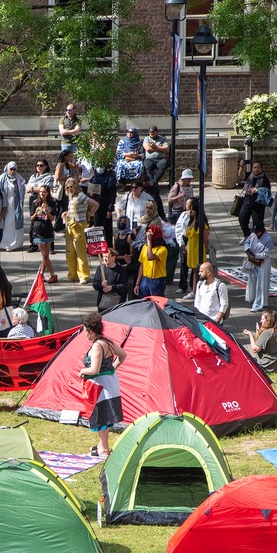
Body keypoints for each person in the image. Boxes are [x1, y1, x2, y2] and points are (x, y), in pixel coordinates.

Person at [78, 313, 126, 458]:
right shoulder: (107, 342)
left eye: (86, 331)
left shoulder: (98, 346)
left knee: (101, 417)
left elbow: (94, 369)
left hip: (100, 387)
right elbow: (123, 354)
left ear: (92, 332)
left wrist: (82, 371)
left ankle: (104, 448)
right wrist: (112, 369)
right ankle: (101, 444)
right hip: (109, 383)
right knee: (104, 415)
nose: (85, 334)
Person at [62, 178, 96, 284]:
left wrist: (91, 214)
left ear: (76, 186)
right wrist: (66, 214)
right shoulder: (70, 197)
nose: (69, 189)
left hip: (79, 226)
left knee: (80, 252)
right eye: (67, 187)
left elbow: (95, 204)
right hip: (70, 226)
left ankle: (84, 275)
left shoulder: (81, 196)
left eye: (71, 186)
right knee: (70, 251)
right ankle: (72, 274)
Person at [242, 223, 274, 312]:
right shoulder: (253, 235)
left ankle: (259, 304)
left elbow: (266, 253)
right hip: (253, 261)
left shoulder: (268, 239)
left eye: (257, 232)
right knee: (253, 281)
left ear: (261, 232)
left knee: (261, 283)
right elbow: (246, 242)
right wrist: (248, 250)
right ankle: (253, 299)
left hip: (263, 262)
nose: (255, 234)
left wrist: (255, 255)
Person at [239, 161, 272, 239]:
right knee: (242, 218)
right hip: (247, 201)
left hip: (258, 204)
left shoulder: (264, 179)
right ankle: (247, 235)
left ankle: (256, 238)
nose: (256, 169)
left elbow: (267, 192)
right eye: (254, 167)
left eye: (258, 167)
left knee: (257, 223)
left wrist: (257, 191)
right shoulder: (250, 175)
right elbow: (241, 175)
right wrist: (241, 167)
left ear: (261, 168)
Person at [135, 225, 168, 297]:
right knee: (144, 303)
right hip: (145, 279)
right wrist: (137, 284)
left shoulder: (162, 249)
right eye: (147, 232)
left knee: (156, 303)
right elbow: (142, 265)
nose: (148, 234)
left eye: (150, 232)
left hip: (156, 280)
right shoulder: (144, 247)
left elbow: (150, 257)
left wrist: (149, 241)